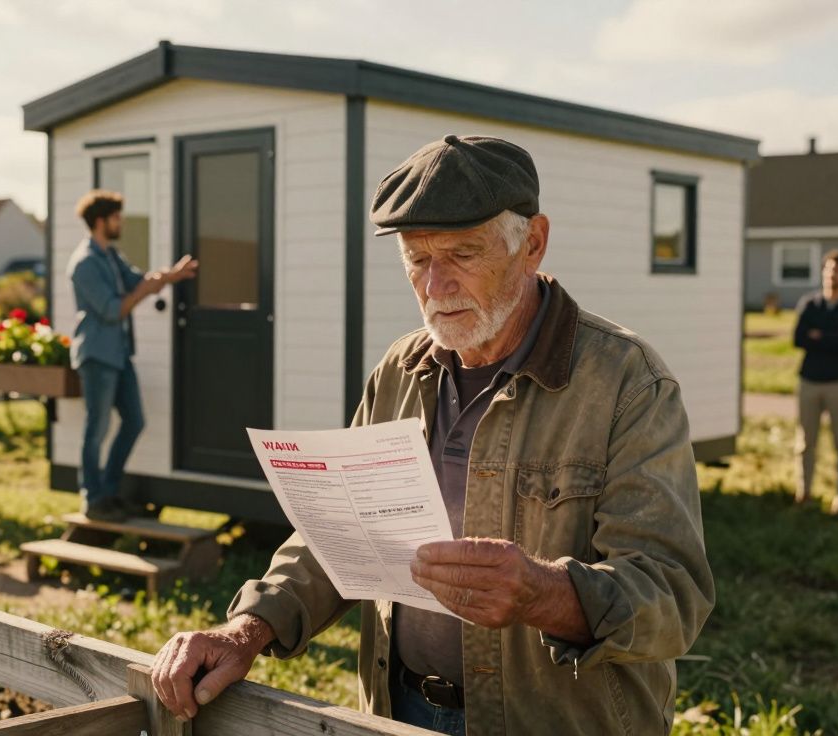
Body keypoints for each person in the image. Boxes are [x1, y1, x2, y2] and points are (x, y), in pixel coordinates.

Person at [150, 135, 715, 735]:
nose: (435, 285)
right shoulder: (401, 367)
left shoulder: (628, 383)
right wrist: (249, 628)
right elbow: (340, 533)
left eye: (463, 255)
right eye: (417, 260)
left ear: (534, 244)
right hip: (401, 713)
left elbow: (672, 598)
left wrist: (542, 593)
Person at [67, 189, 198, 520]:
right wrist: (142, 290)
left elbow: (138, 280)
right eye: (116, 218)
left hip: (119, 354)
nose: (120, 222)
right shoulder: (84, 264)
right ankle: (92, 499)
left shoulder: (110, 255)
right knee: (96, 428)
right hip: (97, 356)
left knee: (134, 421)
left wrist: (171, 275)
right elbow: (113, 310)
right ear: (100, 221)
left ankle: (109, 491)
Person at [791, 250, 838, 514]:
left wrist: (818, 336)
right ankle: (804, 493)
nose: (833, 274)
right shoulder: (809, 304)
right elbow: (798, 338)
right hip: (809, 381)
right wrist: (830, 337)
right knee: (805, 442)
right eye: (830, 269)